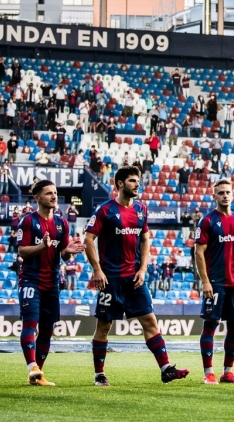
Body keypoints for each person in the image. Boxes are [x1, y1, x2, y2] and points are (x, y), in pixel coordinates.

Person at [84, 165, 189, 386]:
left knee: (150, 320)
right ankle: (99, 374)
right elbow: (88, 240)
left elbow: (145, 239)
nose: (137, 184)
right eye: (132, 180)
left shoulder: (141, 210)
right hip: (110, 279)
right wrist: (97, 270)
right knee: (104, 325)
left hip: (133, 277)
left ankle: (165, 368)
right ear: (120, 184)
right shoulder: (105, 210)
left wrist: (142, 269)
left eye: (137, 180)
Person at [16, 179, 85, 386]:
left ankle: (38, 375)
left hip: (52, 282)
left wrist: (67, 252)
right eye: (48, 193)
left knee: (47, 329)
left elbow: (62, 254)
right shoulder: (28, 221)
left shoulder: (61, 223)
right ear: (37, 198)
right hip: (31, 280)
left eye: (55, 193)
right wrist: (41, 247)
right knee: (30, 324)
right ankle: (32, 367)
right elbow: (21, 251)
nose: (54, 196)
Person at [194, 178, 234, 385]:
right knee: (210, 325)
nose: (225, 195)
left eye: (228, 192)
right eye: (221, 193)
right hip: (215, 282)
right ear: (214, 196)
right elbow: (199, 253)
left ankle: (228, 372)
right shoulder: (207, 221)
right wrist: (205, 281)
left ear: (232, 194)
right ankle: (209, 373)